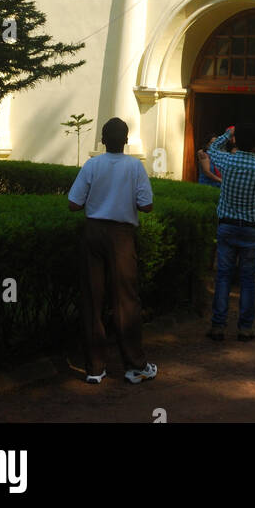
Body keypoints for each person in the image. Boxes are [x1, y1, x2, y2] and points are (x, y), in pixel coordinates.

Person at [68, 116, 157, 385]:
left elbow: (73, 204)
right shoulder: (134, 167)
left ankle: (95, 368)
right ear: (126, 141)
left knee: (92, 300)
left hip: (92, 233)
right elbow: (147, 206)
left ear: (103, 141)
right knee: (126, 300)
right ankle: (134, 365)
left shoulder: (92, 165)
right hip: (121, 237)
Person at [204, 122, 255, 340]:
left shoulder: (227, 162)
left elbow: (211, 150)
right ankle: (245, 327)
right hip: (250, 229)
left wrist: (228, 133)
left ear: (236, 140)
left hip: (227, 225)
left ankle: (218, 325)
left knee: (223, 276)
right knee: (248, 279)